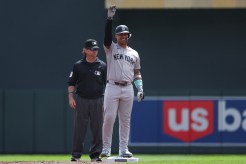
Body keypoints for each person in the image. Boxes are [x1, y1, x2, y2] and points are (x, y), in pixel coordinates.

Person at [100, 6, 144, 158]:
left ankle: (123, 149)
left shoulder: (134, 53)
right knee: (109, 117)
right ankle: (106, 148)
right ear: (116, 36)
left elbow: (137, 72)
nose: (124, 36)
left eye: (125, 34)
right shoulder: (111, 48)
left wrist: (140, 89)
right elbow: (106, 38)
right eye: (121, 34)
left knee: (125, 120)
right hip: (112, 86)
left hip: (128, 88)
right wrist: (109, 19)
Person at [68, 39, 107, 162]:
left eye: (96, 49)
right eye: (92, 49)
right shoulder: (78, 65)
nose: (94, 51)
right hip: (82, 100)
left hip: (98, 100)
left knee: (97, 129)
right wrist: (70, 97)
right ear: (85, 50)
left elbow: (108, 83)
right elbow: (71, 82)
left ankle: (95, 155)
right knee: (79, 129)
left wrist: (106, 99)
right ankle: (76, 155)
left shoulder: (102, 65)